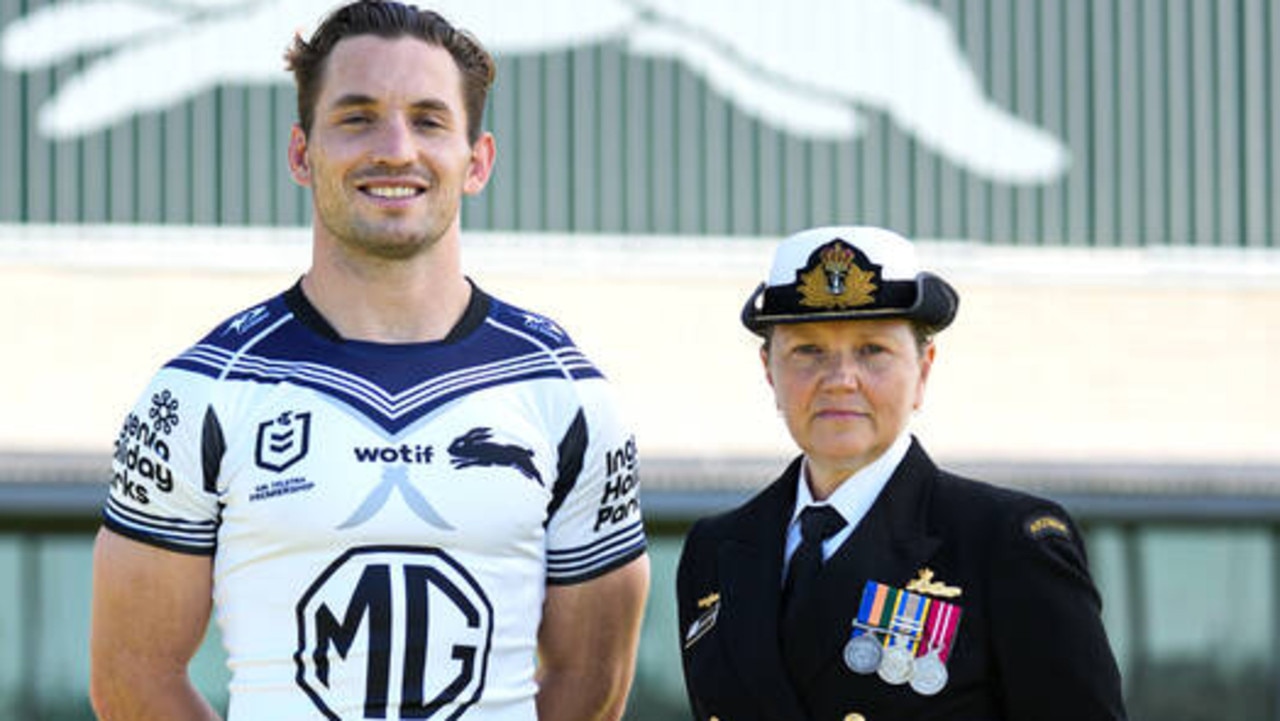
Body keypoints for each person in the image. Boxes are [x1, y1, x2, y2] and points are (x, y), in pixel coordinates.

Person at [88, 1, 650, 718]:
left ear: (477, 161)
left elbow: (592, 679)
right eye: (357, 117)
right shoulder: (201, 392)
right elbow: (133, 676)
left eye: (428, 119)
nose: (394, 148)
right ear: (301, 153)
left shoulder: (566, 394)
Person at [676, 226, 1127, 720]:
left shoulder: (1004, 544)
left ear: (924, 369)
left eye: (872, 351)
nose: (841, 380)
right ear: (769, 371)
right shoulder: (716, 552)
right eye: (808, 351)